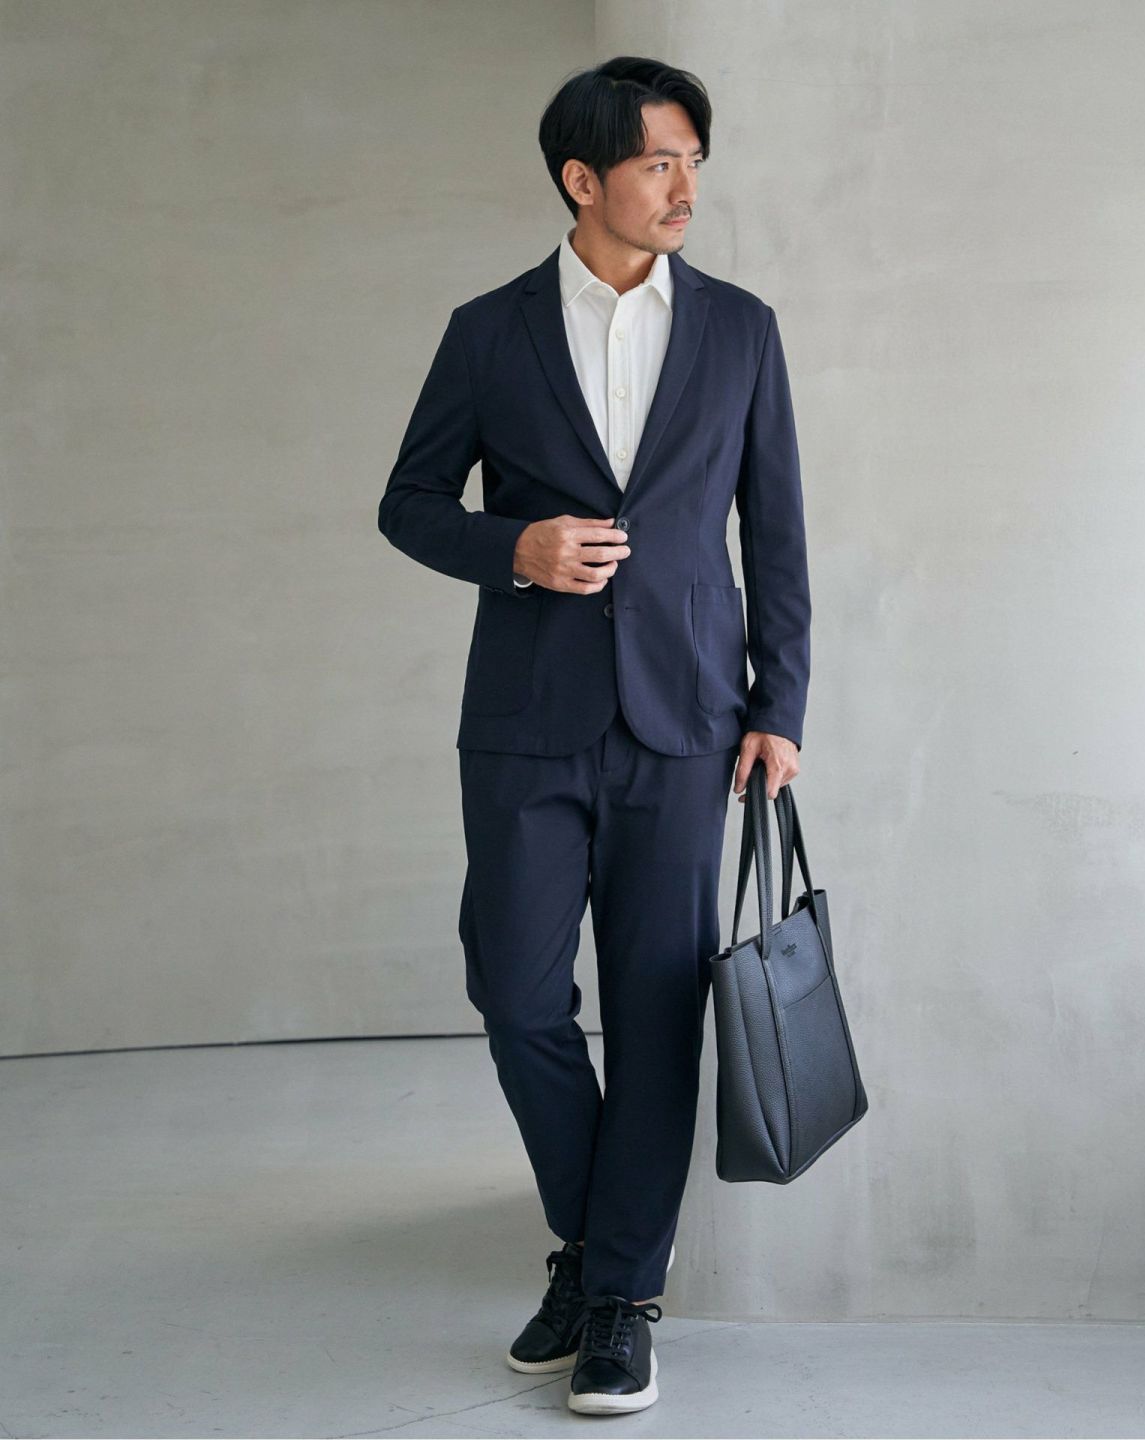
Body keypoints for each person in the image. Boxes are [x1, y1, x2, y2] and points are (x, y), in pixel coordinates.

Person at [377, 54, 810, 1416]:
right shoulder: (489, 331)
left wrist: (780, 707)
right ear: (582, 178)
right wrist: (516, 546)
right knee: (515, 994)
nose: (684, 188)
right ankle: (592, 1241)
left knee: (658, 1011)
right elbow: (408, 502)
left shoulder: (740, 330)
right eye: (656, 162)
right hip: (526, 721)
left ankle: (618, 1297)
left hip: (688, 720)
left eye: (693, 162)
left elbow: (776, 532)